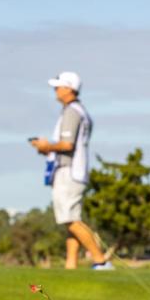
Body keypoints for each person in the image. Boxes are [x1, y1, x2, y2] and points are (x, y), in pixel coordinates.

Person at [29, 71, 112, 270]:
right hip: (74, 170)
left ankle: (100, 261)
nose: (55, 90)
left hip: (69, 172)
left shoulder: (72, 112)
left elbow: (67, 145)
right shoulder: (77, 111)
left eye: (58, 86)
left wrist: (46, 146)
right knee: (71, 220)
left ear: (69, 89)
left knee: (70, 219)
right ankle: (71, 265)